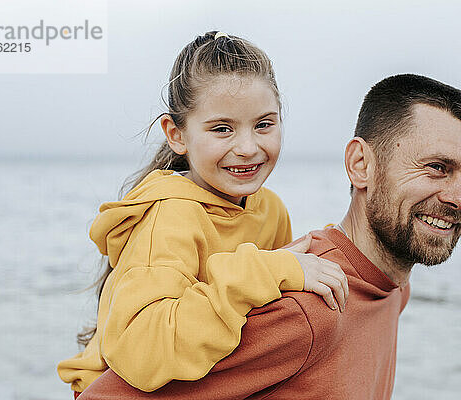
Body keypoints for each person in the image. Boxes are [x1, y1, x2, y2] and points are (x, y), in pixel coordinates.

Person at [77, 73, 461, 400]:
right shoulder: (309, 310)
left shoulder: (393, 289)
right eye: (435, 167)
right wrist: (264, 273)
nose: (457, 197)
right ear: (360, 164)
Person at [57, 31, 349, 397]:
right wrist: (267, 270)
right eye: (222, 129)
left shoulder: (270, 209)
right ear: (176, 135)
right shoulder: (168, 217)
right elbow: (141, 352)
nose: (247, 147)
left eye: (263, 124)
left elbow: (268, 318)